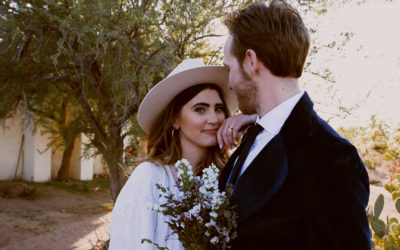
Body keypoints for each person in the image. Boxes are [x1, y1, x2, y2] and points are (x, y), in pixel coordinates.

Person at [217, 1, 371, 249]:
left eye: (228, 68)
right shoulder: (256, 135)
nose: (230, 83)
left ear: (251, 61)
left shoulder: (332, 157)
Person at [109, 58, 237, 250]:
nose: (213, 119)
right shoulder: (150, 178)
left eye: (218, 109)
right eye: (200, 109)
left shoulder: (228, 177)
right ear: (175, 120)